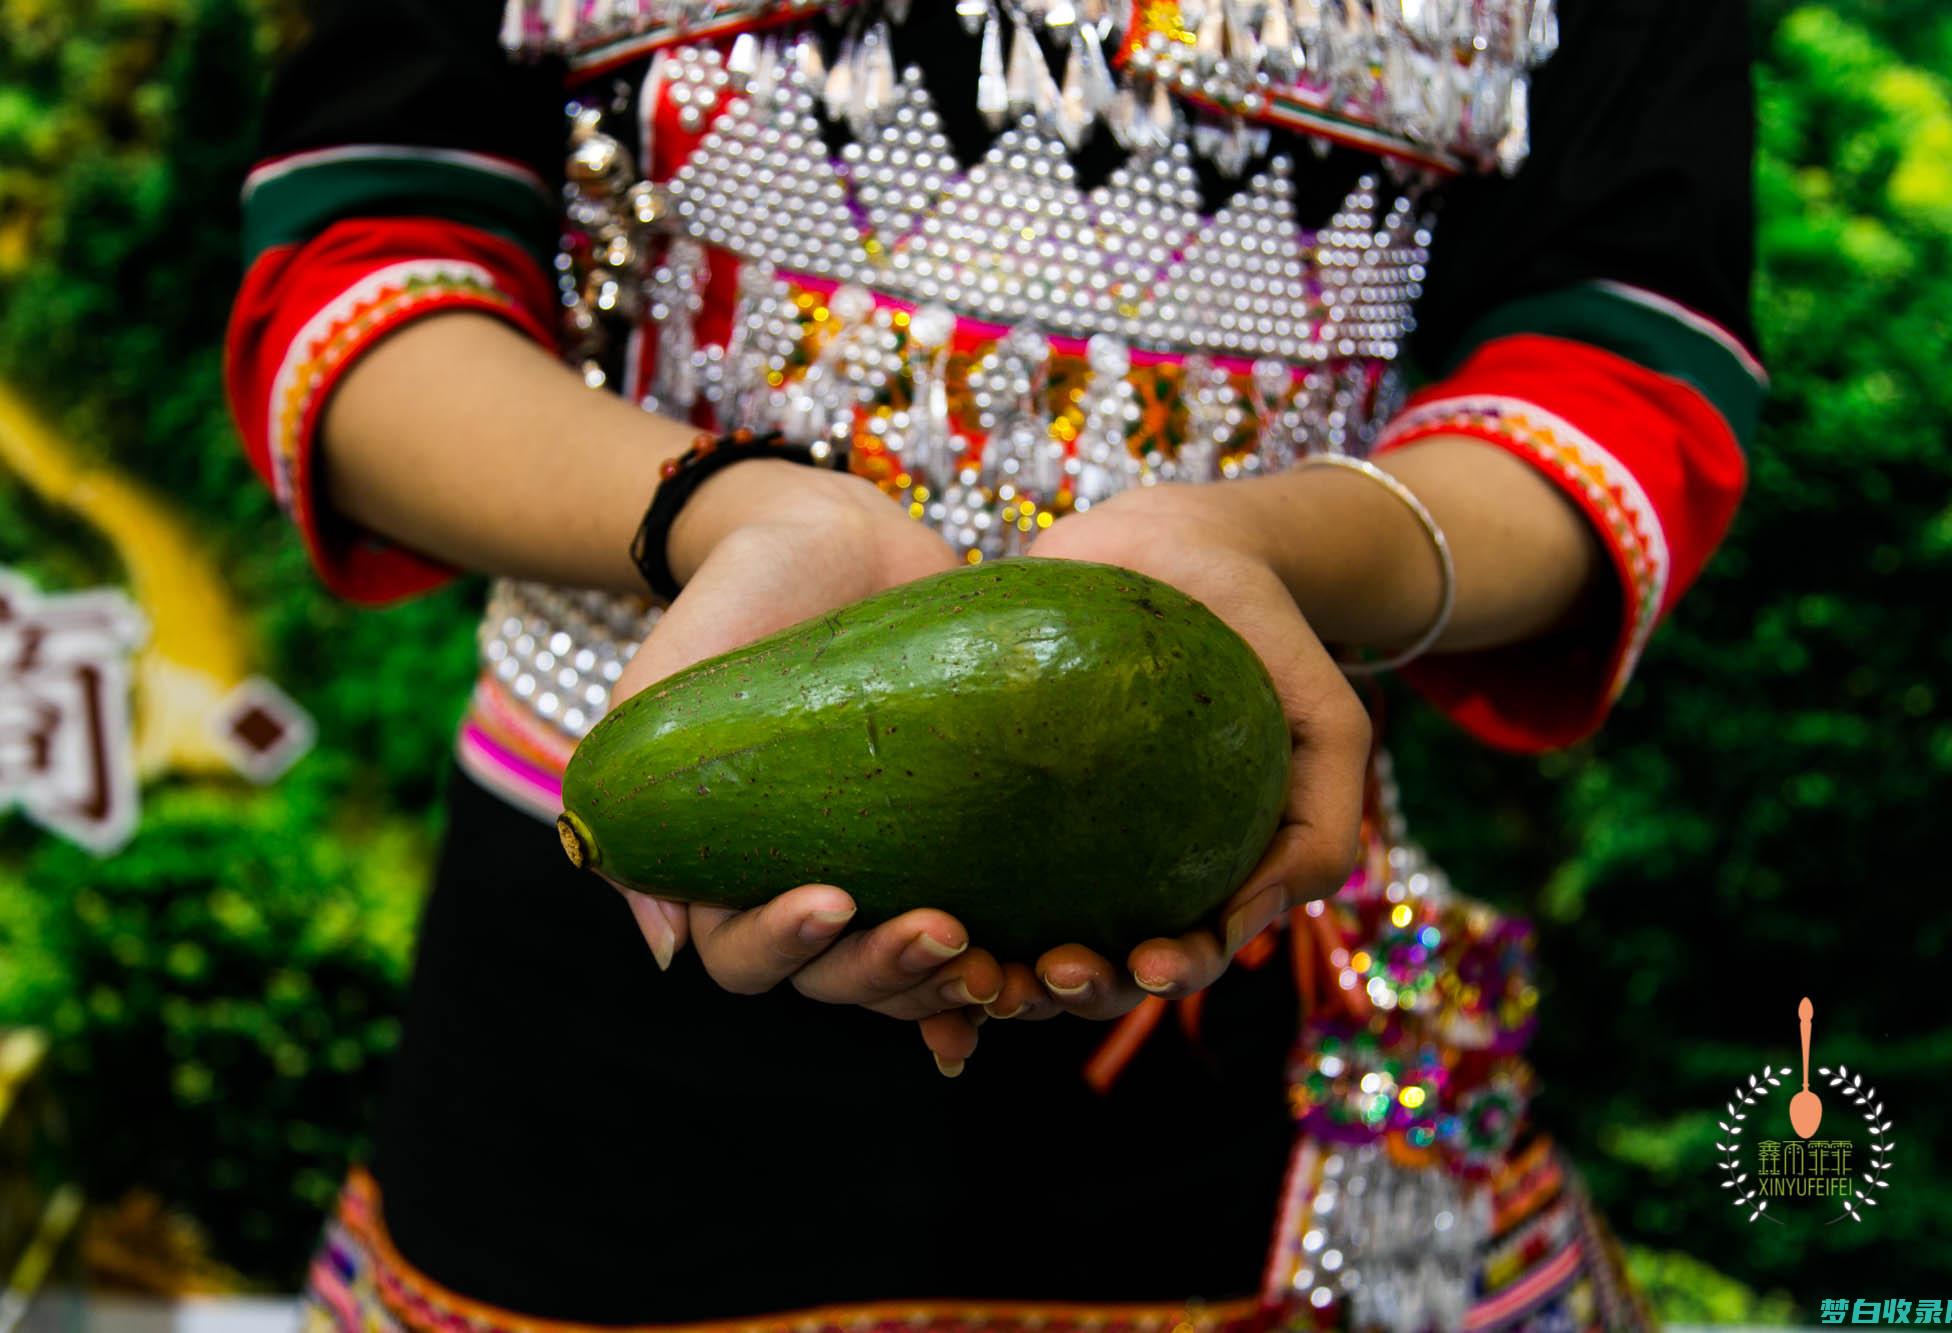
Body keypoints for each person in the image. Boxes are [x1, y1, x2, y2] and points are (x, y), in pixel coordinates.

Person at [225, 0, 1761, 1326]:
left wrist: (1265, 549)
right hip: (602, 985)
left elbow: (1623, 366)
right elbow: (364, 256)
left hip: (1235, 960)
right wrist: (719, 509)